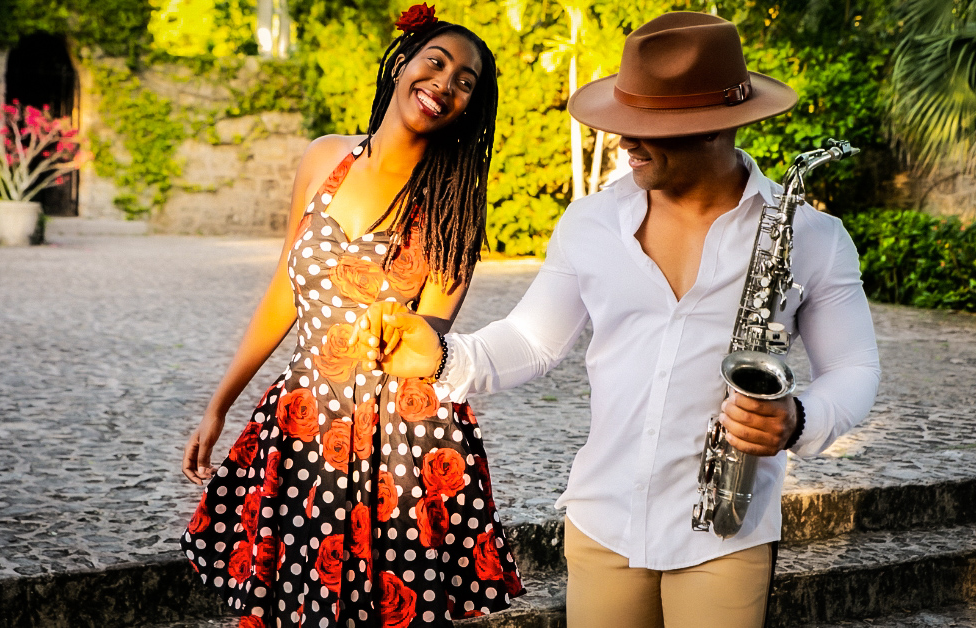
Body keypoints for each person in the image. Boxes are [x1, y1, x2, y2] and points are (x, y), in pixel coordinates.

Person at [350, 12, 880, 628]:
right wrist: (441, 354)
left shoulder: (813, 237)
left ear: (714, 130)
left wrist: (798, 419)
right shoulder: (590, 222)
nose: (624, 141)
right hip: (602, 522)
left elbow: (854, 368)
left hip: (724, 532)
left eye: (645, 128)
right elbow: (531, 339)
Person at [179, 6, 526, 627]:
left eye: (466, 81)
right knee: (298, 605)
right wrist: (220, 403)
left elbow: (432, 339)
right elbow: (285, 290)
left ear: (471, 106)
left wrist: (402, 324)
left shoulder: (454, 201)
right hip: (304, 425)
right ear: (403, 63)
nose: (445, 83)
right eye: (437, 62)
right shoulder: (324, 159)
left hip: (398, 445)